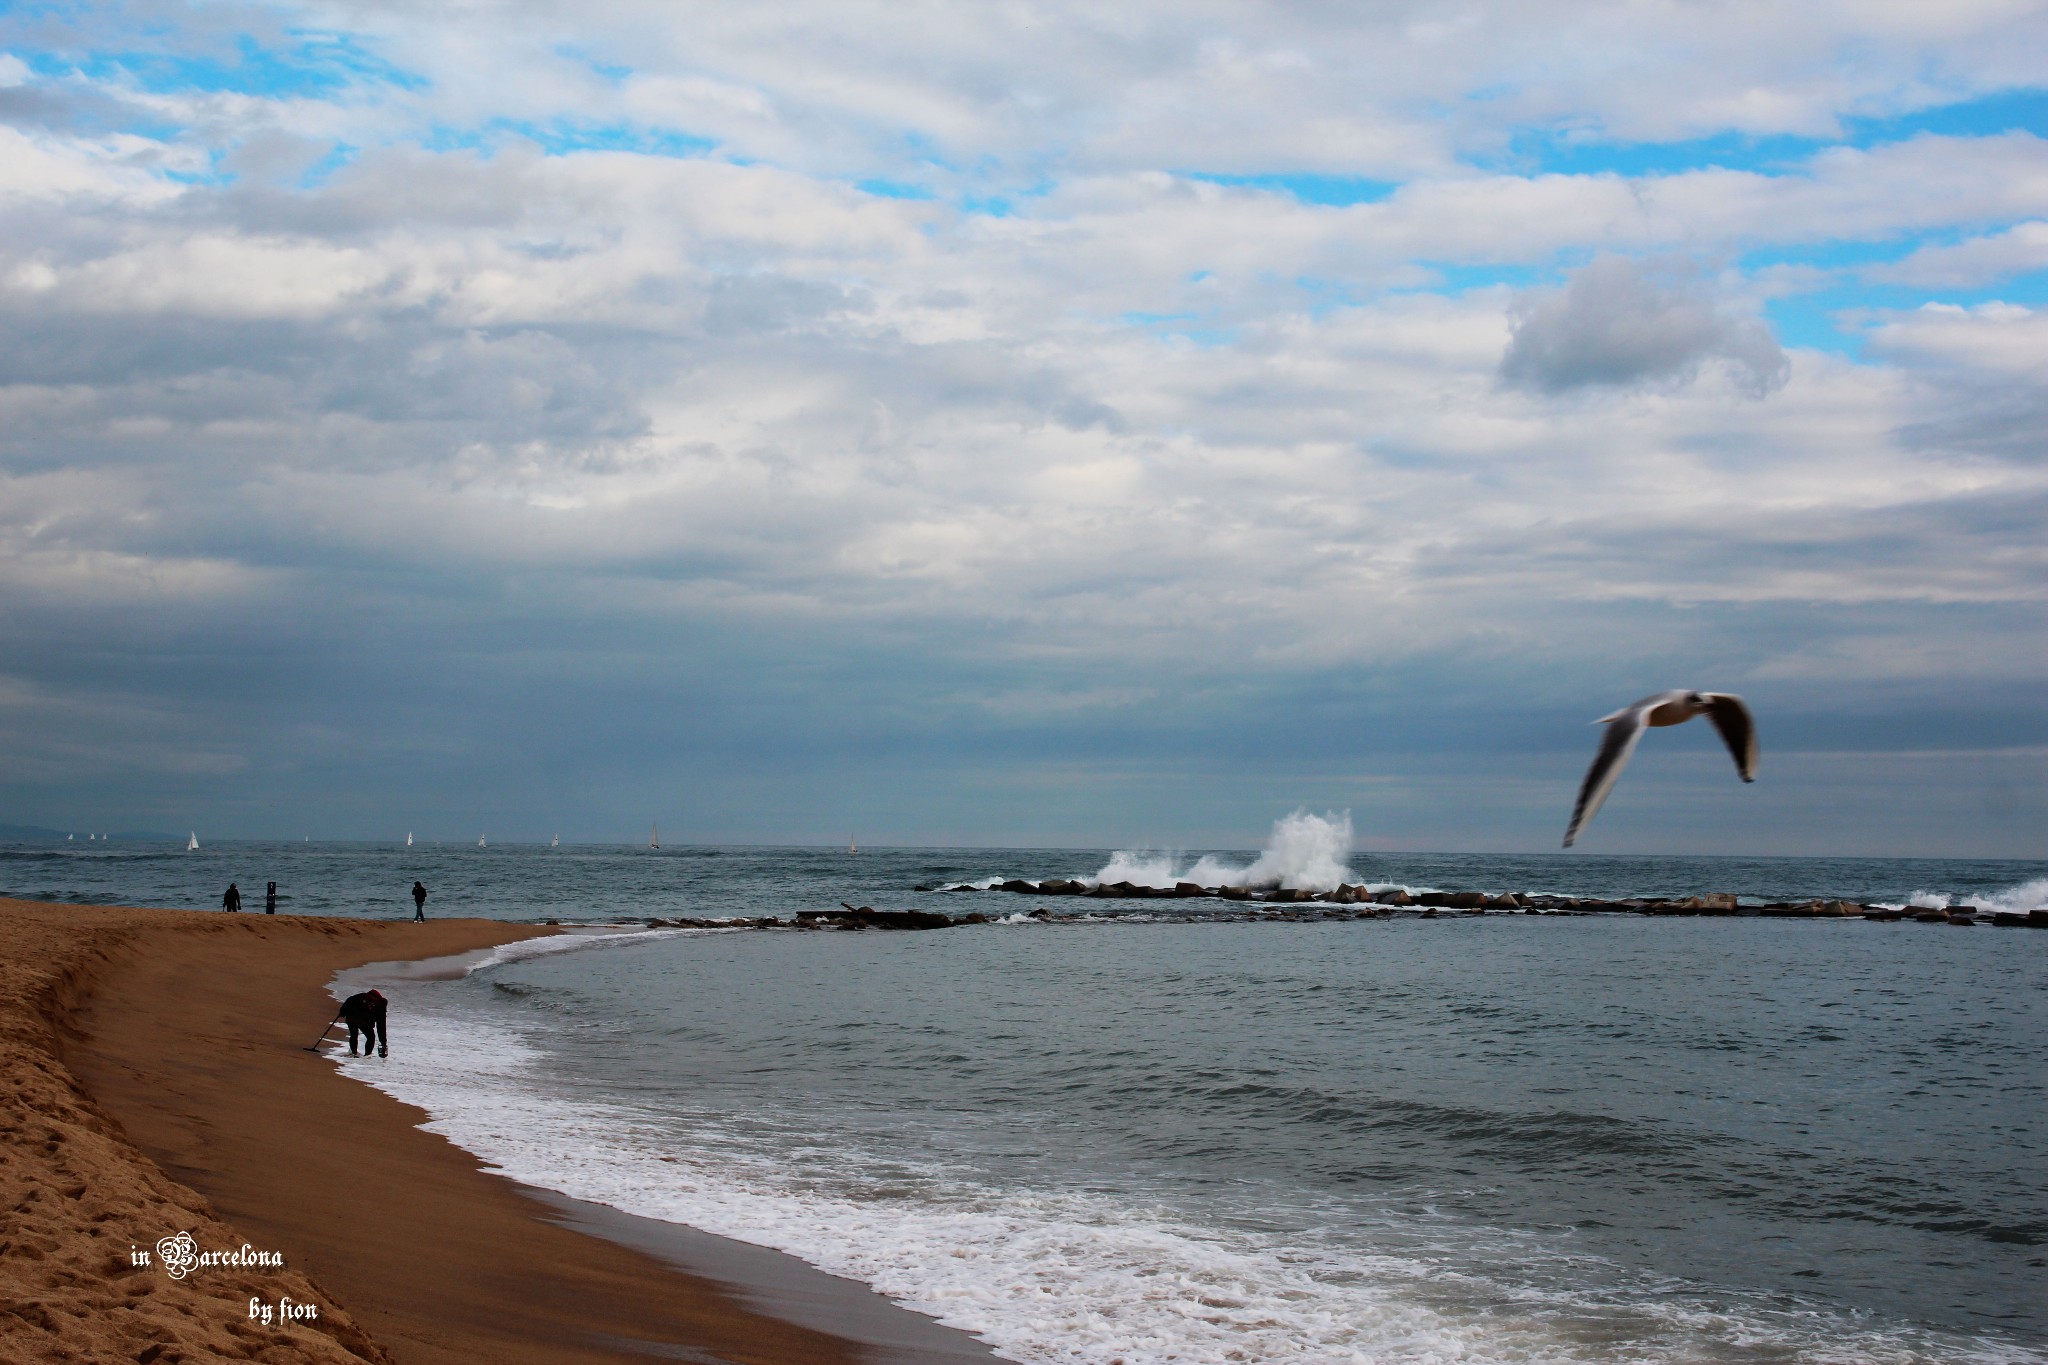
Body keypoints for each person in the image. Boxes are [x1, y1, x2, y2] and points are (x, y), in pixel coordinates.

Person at [339, 989, 387, 1058]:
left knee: (353, 1035)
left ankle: (353, 1053)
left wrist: (342, 1012)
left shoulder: (360, 996)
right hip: (365, 1022)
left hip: (351, 1018)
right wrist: (383, 1042)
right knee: (370, 1037)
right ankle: (367, 1055)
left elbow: (349, 1000)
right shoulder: (380, 1005)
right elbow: (381, 1026)